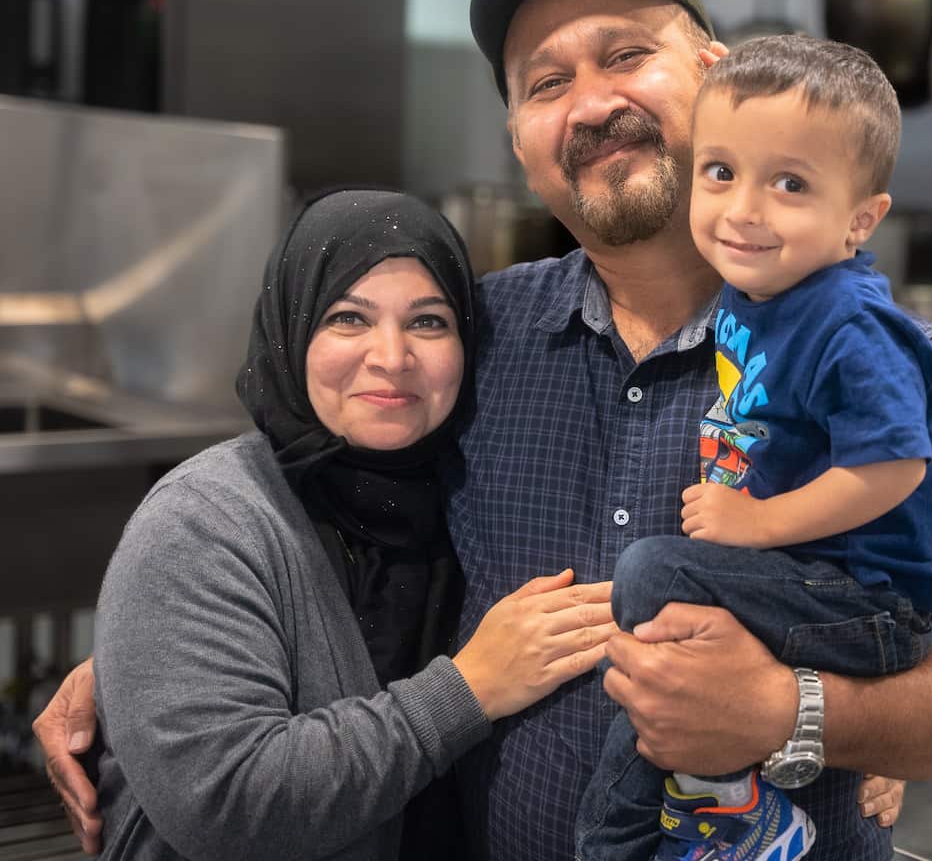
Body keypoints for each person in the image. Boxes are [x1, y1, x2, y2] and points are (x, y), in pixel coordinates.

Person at [36, 0, 932, 861]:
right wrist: (143, 660)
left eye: (625, 54)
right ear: (519, 140)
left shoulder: (891, 366)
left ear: (715, 75)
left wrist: (796, 711)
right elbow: (323, 519)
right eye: (546, 83)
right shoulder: (470, 339)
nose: (592, 105)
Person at [84, 188, 616, 860]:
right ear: (290, 330)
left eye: (428, 322)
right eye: (347, 318)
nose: (391, 356)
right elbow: (223, 803)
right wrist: (470, 689)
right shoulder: (206, 520)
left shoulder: (470, 500)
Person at [576, 34, 932, 861]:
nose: (745, 209)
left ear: (861, 219)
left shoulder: (851, 325)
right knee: (660, 651)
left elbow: (896, 465)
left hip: (870, 603)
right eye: (721, 172)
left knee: (655, 575)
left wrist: (756, 522)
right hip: (809, 584)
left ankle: (723, 804)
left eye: (790, 184)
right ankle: (695, 808)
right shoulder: (753, 297)